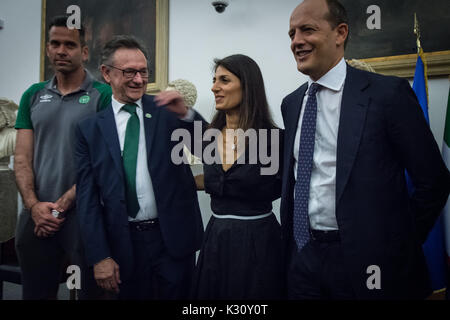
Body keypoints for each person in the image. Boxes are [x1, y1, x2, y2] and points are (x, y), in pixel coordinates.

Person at [280, 0, 450, 299]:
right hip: (303, 260)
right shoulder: (291, 103)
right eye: (292, 33)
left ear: (340, 32)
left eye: (307, 30)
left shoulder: (388, 95)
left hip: (371, 265)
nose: (297, 41)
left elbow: (433, 181)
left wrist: (397, 244)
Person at [75, 35, 204, 300]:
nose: (138, 79)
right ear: (107, 74)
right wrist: (100, 256)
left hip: (172, 243)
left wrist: (187, 115)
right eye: (129, 72)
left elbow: (210, 151)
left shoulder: (167, 112)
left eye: (143, 72)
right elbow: (86, 197)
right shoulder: (89, 130)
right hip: (122, 246)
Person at [14, 15, 112, 299]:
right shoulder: (32, 95)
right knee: (35, 293)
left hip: (83, 215)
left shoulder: (102, 95)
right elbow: (21, 158)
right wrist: (34, 207)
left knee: (85, 293)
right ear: (47, 49)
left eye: (69, 45)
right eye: (55, 43)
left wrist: (62, 205)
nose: (61, 50)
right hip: (36, 215)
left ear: (84, 51)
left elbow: (101, 162)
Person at [188, 54, 284, 299]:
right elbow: (212, 180)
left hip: (260, 241)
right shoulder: (207, 138)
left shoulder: (275, 140)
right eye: (214, 80)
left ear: (247, 85)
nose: (214, 87)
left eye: (224, 80)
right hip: (217, 238)